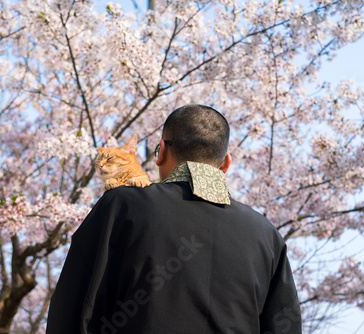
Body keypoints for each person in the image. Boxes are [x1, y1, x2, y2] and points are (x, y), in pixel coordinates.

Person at [46, 104, 302, 334]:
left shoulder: (122, 206)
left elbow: (72, 306)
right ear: (225, 164)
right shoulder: (267, 236)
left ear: (162, 151)